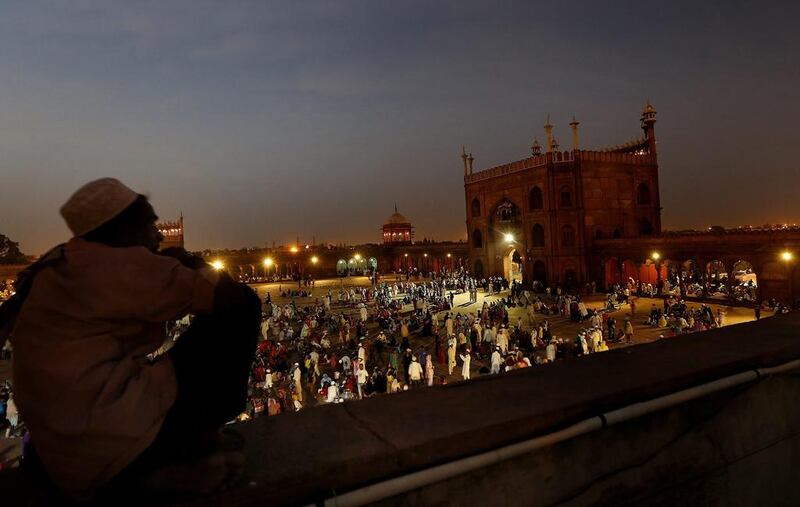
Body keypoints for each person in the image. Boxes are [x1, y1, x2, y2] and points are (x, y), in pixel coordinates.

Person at [2, 178, 260, 501]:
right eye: (152, 225)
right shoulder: (123, 264)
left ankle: (149, 472)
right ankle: (191, 445)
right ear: (124, 228)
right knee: (245, 307)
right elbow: (230, 299)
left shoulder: (59, 260)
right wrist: (190, 261)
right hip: (108, 441)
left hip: (62, 456)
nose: (159, 236)